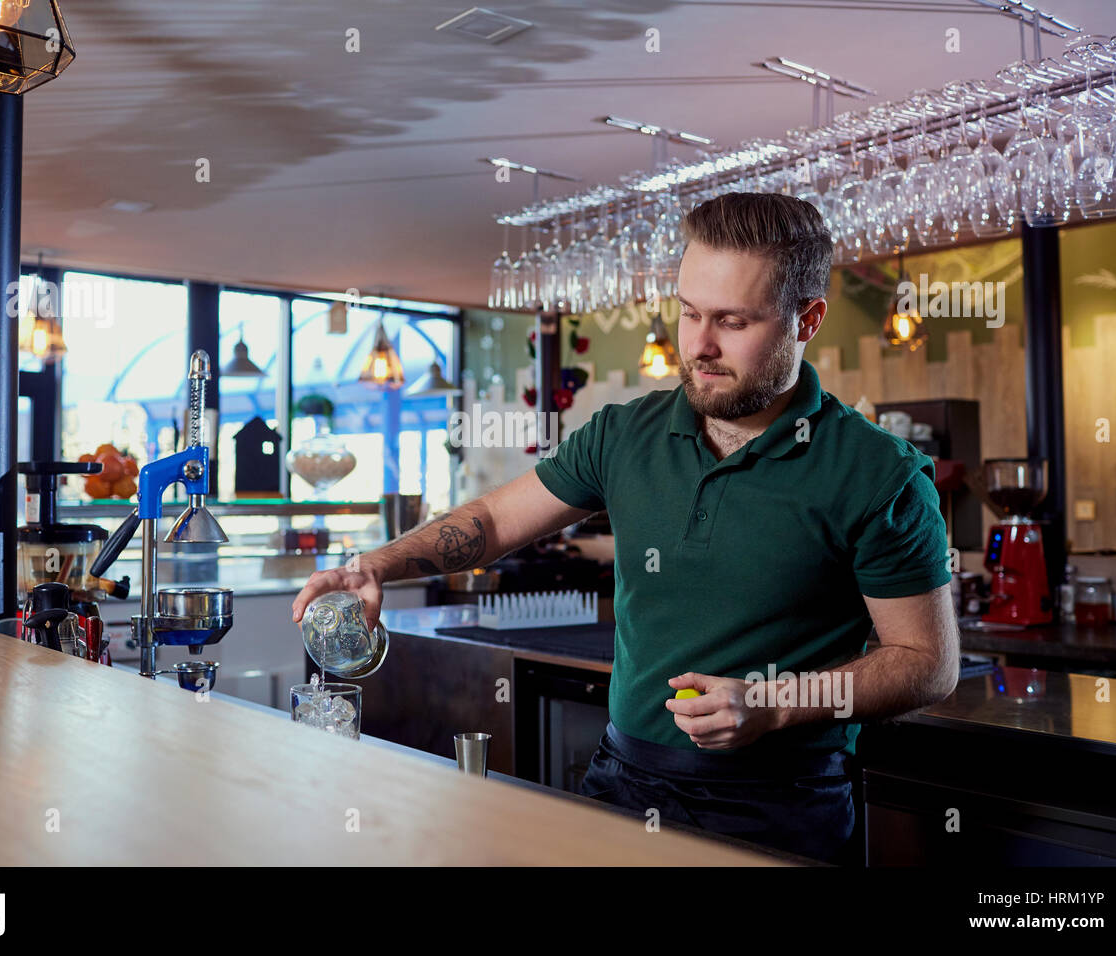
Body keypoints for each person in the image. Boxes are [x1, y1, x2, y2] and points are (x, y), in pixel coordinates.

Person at [292, 192, 960, 864]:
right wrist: (376, 564)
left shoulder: (879, 473)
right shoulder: (624, 433)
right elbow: (493, 520)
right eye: (689, 311)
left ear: (807, 319)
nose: (698, 344)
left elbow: (926, 665)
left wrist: (774, 704)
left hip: (781, 805)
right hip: (620, 781)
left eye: (731, 321)